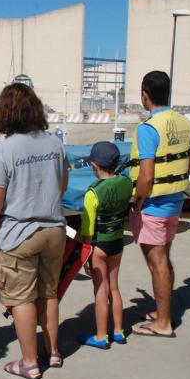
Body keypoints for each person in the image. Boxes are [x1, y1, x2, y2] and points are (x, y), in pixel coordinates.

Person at [0, 83, 69, 379]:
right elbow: (63, 184)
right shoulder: (55, 144)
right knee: (49, 292)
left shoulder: (3, 151)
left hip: (19, 234)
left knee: (21, 298)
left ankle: (30, 362)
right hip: (54, 228)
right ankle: (53, 351)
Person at [129, 71, 190, 338]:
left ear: (145, 95)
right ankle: (162, 311)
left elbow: (146, 175)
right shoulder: (182, 122)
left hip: (153, 206)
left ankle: (163, 322)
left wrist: (137, 203)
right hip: (175, 202)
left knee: (157, 263)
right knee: (164, 258)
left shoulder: (148, 128)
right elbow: (189, 164)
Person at [78, 142, 132, 349]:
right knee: (115, 287)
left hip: (99, 246)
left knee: (100, 291)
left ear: (94, 164)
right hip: (118, 241)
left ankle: (101, 336)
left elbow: (87, 229)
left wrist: (85, 254)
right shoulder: (126, 182)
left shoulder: (93, 192)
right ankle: (118, 331)